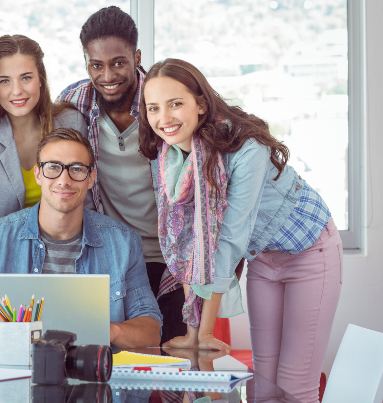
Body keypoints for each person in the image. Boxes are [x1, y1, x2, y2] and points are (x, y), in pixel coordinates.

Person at [139, 58, 341, 402]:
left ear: (201, 104)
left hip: (310, 251)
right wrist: (191, 336)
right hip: (264, 258)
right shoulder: (170, 157)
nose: (164, 118)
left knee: (294, 383)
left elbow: (230, 239)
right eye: (153, 108)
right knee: (262, 379)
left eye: (176, 104)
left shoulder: (246, 147)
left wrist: (202, 337)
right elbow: (187, 247)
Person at [0, 128, 163, 348]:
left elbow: (151, 331)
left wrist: (106, 330)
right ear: (38, 174)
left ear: (91, 178)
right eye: (53, 168)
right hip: (17, 374)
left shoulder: (124, 243)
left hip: (94, 372)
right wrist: (17, 333)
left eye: (77, 169)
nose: (64, 180)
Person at [56, 6, 186, 344]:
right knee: (110, 360)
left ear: (137, 56)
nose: (107, 75)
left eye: (118, 62)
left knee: (176, 360)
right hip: (114, 256)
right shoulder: (74, 102)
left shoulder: (160, 103)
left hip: (170, 255)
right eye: (96, 65)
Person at [0, 34, 91, 257]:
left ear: (41, 78)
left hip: (68, 256)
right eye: (5, 81)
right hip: (5, 257)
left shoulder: (71, 122)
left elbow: (86, 205)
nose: (17, 90)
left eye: (26, 78)